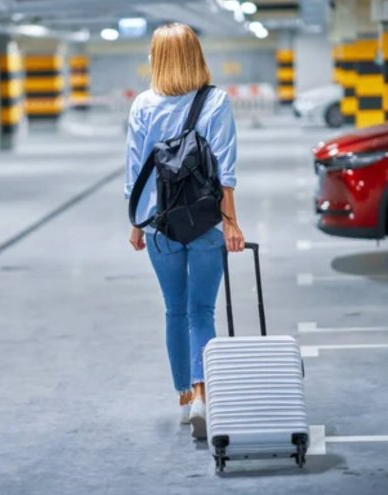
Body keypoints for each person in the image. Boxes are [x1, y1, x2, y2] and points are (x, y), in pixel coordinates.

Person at [124, 23, 245, 439]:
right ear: (196, 55)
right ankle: (202, 394)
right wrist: (232, 222)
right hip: (207, 221)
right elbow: (225, 170)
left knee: (174, 310)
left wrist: (136, 224)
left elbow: (136, 169)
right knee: (201, 312)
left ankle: (181, 398)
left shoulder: (142, 105)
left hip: (160, 224)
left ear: (156, 58)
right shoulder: (216, 101)